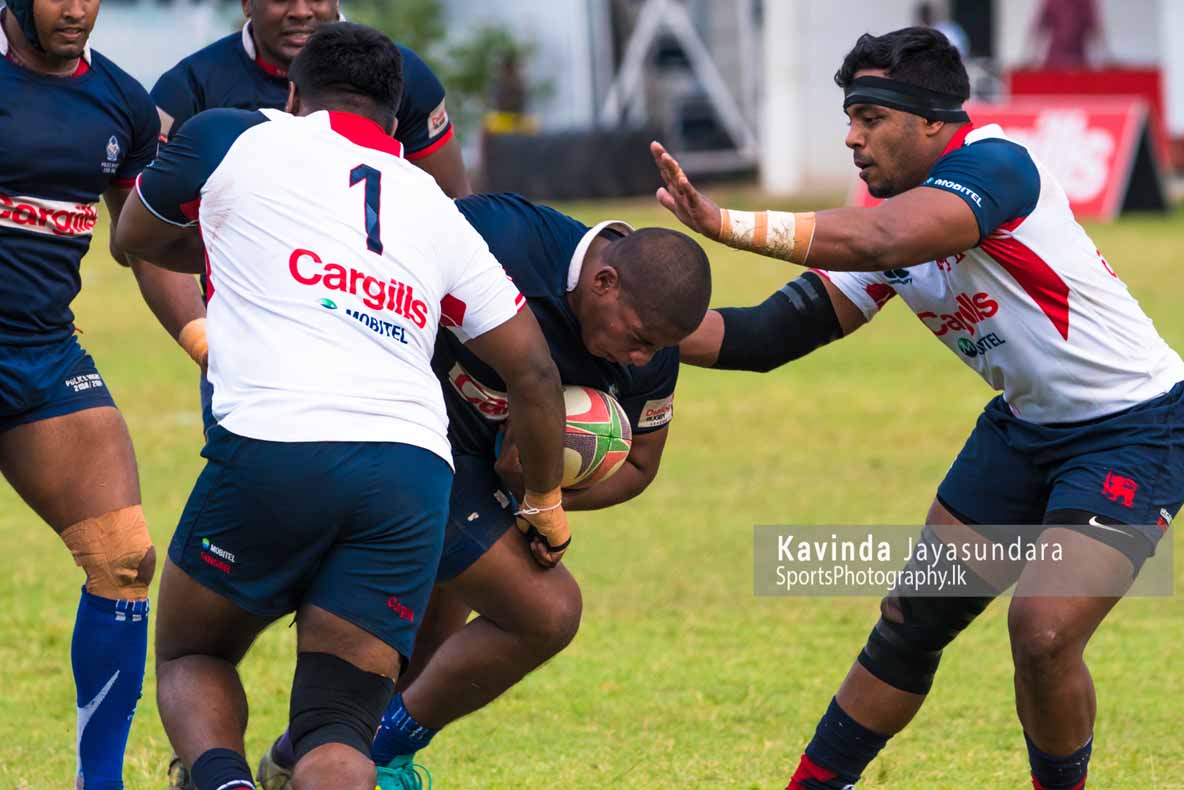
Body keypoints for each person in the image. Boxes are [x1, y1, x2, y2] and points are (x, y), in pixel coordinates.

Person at [651, 26, 1184, 790]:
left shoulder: (998, 167)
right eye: (850, 117)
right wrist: (627, 329)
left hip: (1137, 427)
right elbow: (764, 336)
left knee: (1042, 630)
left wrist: (725, 224)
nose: (852, 137)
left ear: (934, 121)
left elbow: (880, 240)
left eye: (871, 117)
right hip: (1024, 431)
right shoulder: (890, 221)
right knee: (912, 619)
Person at [115, 23, 568, 790]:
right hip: (409, 473)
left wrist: (244, 244)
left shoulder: (230, 135)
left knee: (196, 652)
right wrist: (545, 500)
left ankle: (220, 779)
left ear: (293, 95)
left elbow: (136, 236)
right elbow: (533, 370)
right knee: (337, 725)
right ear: (396, 118)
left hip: (275, 446)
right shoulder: (437, 210)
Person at [255, 192, 713, 789]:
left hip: (473, 476)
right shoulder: (502, 236)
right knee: (546, 612)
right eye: (639, 338)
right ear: (604, 282)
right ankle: (381, 757)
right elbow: (370, 263)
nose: (640, 358)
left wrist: (543, 492)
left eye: (657, 349)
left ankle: (299, 756)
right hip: (395, 433)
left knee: (423, 653)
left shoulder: (649, 353)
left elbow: (641, 466)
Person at [133, 0, 469, 440]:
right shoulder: (190, 87)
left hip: (382, 335)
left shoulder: (400, 74)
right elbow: (144, 233)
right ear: (246, 4)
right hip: (253, 348)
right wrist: (203, 339)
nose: (301, 11)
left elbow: (457, 211)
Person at [0, 1, 160, 786]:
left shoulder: (122, 103)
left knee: (124, 559)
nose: (77, 9)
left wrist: (205, 336)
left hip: (41, 357)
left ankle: (101, 783)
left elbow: (144, 241)